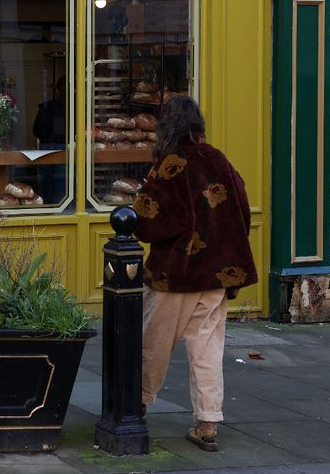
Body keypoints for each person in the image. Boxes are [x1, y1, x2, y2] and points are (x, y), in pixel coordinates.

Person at [131, 95, 257, 453]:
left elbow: (149, 220)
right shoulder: (218, 157)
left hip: (177, 274)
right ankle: (207, 422)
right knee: (207, 348)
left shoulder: (170, 164)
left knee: (154, 344)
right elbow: (242, 210)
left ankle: (136, 406)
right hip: (217, 274)